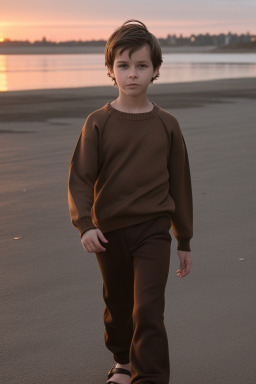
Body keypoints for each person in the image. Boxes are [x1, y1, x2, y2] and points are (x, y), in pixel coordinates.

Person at [68, 19, 193, 384]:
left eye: (141, 65)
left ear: (156, 70)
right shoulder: (97, 123)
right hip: (108, 233)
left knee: (149, 309)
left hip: (153, 231)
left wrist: (183, 238)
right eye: (123, 65)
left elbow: (180, 185)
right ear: (111, 70)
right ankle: (123, 361)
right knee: (119, 307)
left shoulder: (167, 124)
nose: (132, 74)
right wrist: (84, 225)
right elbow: (79, 179)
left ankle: (149, 377)